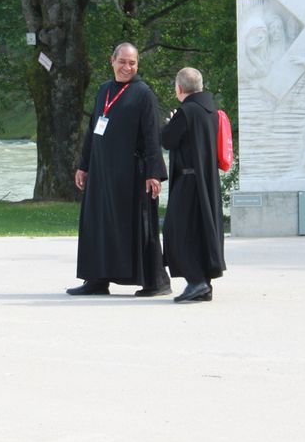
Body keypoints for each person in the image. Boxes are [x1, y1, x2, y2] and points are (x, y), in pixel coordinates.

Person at [67, 43, 172, 297]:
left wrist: (153, 172)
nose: (127, 67)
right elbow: (94, 130)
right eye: (123, 61)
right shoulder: (104, 90)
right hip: (102, 173)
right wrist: (84, 165)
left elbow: (151, 135)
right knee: (98, 224)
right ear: (112, 61)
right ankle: (97, 280)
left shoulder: (143, 93)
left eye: (132, 63)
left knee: (140, 226)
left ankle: (156, 282)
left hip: (132, 174)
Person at [160, 67, 226, 303]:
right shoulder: (210, 110)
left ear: (179, 88)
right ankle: (203, 284)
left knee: (177, 231)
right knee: (200, 231)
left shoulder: (187, 111)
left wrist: (169, 123)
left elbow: (167, 139)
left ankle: (195, 280)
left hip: (188, 181)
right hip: (206, 179)